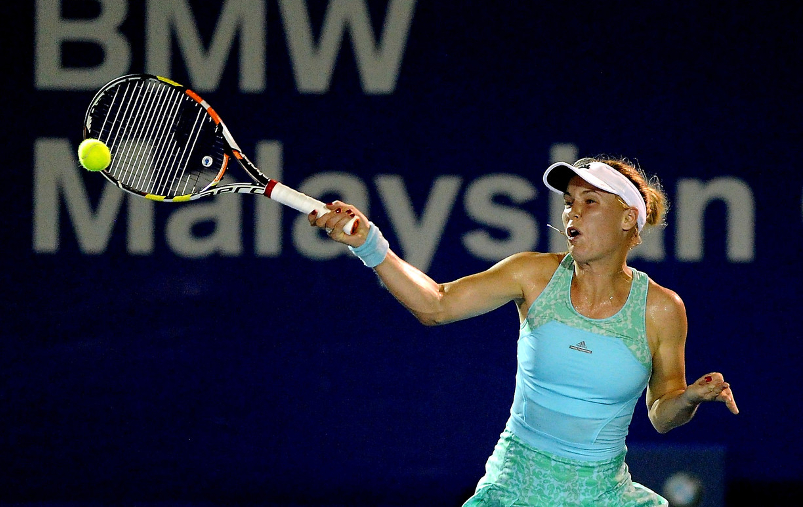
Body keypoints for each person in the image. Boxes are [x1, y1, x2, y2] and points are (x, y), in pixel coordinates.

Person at [308, 156, 739, 507]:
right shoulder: (532, 274)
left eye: (590, 202)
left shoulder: (662, 308)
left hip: (604, 494)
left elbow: (662, 415)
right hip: (513, 487)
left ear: (628, 220)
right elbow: (436, 305)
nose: (572, 213)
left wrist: (688, 398)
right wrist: (370, 244)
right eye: (569, 202)